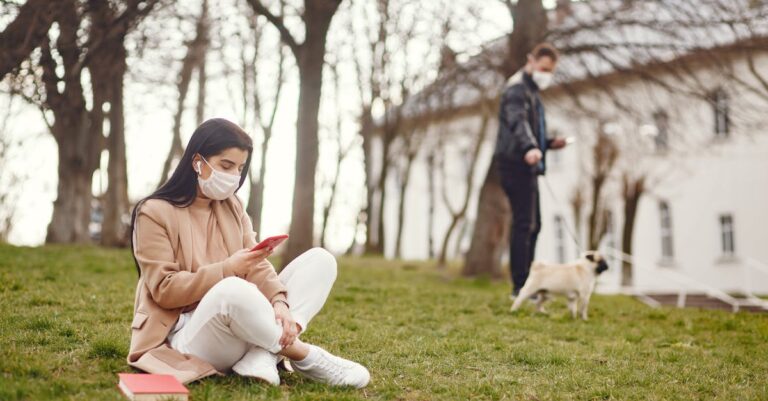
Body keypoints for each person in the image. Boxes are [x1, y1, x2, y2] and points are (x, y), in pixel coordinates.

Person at [126, 118, 370, 388]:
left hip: (243, 323)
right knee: (232, 288)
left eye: (240, 168)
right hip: (189, 337)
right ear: (197, 162)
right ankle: (305, 356)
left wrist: (279, 302)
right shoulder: (153, 212)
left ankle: (262, 355)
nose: (234, 176)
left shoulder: (232, 206)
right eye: (226, 166)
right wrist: (228, 269)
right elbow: (165, 290)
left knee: (320, 261)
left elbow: (255, 264)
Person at [493, 43, 568, 299]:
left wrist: (548, 144)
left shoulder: (532, 92)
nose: (546, 75)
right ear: (531, 61)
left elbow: (533, 132)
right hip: (515, 164)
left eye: (550, 71)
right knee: (524, 224)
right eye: (543, 69)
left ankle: (528, 283)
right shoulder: (516, 90)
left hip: (528, 164)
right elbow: (518, 122)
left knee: (535, 225)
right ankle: (520, 286)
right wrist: (529, 147)